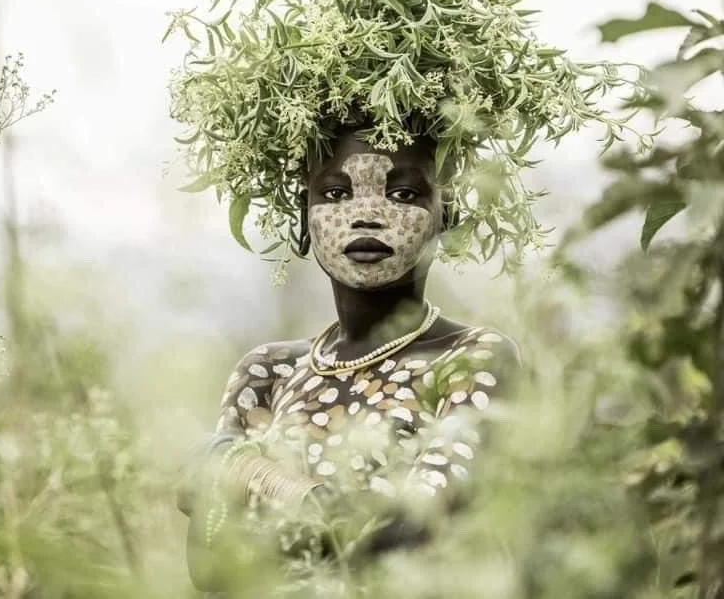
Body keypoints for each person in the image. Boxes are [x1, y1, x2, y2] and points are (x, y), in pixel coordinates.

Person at [176, 124, 522, 594]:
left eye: (401, 194)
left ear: (447, 215)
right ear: (303, 219)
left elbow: (420, 531)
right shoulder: (269, 372)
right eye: (337, 193)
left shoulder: (471, 359)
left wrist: (255, 476)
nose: (366, 215)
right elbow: (213, 566)